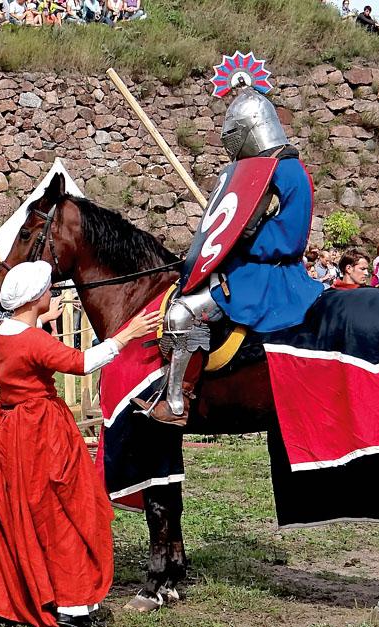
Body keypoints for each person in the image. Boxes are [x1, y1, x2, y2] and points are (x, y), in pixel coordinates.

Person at [0, 261, 160, 627]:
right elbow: (81, 363)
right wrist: (128, 334)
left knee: (17, 510)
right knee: (62, 511)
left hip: (12, 429)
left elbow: (27, 341)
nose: (51, 293)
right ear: (35, 298)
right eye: (47, 290)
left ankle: (16, 596)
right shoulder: (34, 341)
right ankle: (71, 606)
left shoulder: (4, 331)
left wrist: (41, 318)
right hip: (40, 431)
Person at [135, 85, 323, 426]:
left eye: (234, 133)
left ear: (252, 128)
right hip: (246, 265)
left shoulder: (286, 170)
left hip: (269, 274)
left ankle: (177, 402)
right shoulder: (260, 168)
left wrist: (245, 237)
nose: (229, 142)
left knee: (183, 314)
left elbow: (290, 236)